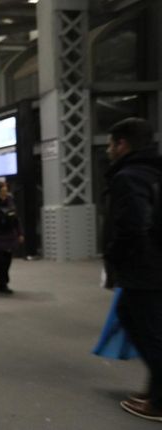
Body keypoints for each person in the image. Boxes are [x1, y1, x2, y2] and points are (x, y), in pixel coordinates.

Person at [103, 117, 162, 422]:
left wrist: (114, 254)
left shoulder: (128, 176)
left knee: (147, 329)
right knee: (146, 324)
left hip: (144, 268)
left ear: (122, 144)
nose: (109, 150)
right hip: (154, 265)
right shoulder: (154, 171)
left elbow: (133, 224)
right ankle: (155, 389)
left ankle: (160, 399)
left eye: (111, 144)